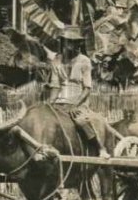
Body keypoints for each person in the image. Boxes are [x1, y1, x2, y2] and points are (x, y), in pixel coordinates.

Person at [47, 25, 110, 159]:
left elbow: (87, 88)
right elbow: (55, 85)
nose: (69, 45)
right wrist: (49, 103)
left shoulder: (84, 61)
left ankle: (100, 147)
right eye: (67, 41)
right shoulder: (56, 60)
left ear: (78, 43)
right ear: (63, 42)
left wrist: (74, 105)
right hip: (60, 102)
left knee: (80, 120)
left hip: (78, 102)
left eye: (73, 42)